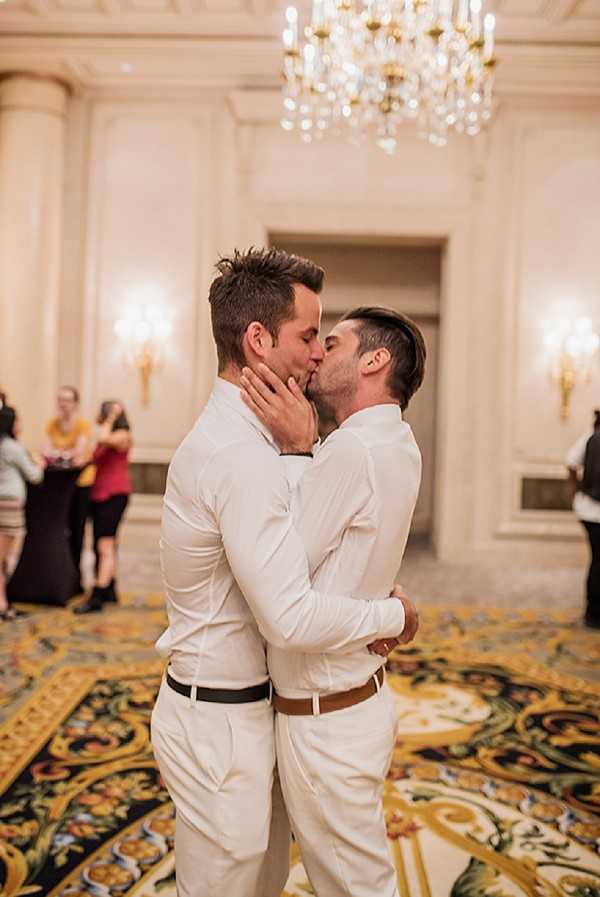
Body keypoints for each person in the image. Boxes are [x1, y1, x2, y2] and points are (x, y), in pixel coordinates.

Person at [150, 248, 415, 897]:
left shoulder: (269, 434)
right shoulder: (240, 453)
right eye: (307, 337)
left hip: (254, 711)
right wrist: (391, 614)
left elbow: (312, 545)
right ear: (258, 339)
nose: (317, 355)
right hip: (218, 721)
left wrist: (302, 449)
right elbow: (289, 613)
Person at [239, 304, 425, 897]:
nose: (319, 353)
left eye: (336, 343)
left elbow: (282, 568)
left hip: (326, 720)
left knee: (355, 888)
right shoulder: (398, 440)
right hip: (351, 698)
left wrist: (298, 451)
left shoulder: (350, 450)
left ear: (375, 360)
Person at [75, 401, 132, 614]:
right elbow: (92, 457)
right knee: (105, 544)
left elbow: (103, 438)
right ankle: (110, 589)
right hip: (98, 494)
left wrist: (110, 418)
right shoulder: (106, 436)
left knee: (105, 546)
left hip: (114, 495)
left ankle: (97, 597)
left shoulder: (123, 434)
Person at [44, 385, 94, 593]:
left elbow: (80, 454)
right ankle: (60, 575)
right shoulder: (52, 424)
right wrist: (65, 455)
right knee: (58, 530)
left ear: (75, 403)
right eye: (60, 400)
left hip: (81, 483)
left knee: (77, 530)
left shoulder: (82, 425)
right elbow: (46, 450)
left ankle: (76, 578)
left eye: (68, 400)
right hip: (59, 485)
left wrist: (61, 454)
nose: (63, 404)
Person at [0, 403, 45, 620]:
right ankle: (1, 604)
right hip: (9, 505)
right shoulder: (12, 447)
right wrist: (40, 464)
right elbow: (34, 476)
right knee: (2, 557)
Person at [566, 408, 600, 629]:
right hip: (592, 510)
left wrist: (576, 492)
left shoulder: (589, 438)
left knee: (597, 560)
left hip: (587, 509)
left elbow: (570, 463)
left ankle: (592, 614)